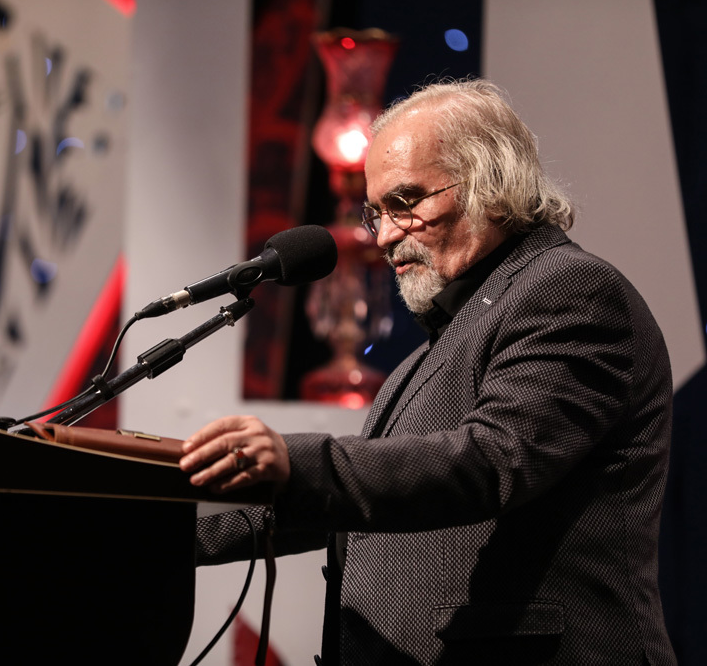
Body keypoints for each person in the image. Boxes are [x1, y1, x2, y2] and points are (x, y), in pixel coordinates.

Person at [179, 79, 676, 665]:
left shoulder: (570, 290)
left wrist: (298, 461)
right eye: (376, 213)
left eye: (406, 203)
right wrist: (147, 534)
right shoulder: (436, 348)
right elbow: (359, 502)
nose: (386, 237)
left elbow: (491, 462)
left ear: (492, 185)